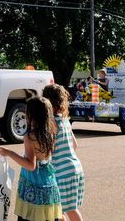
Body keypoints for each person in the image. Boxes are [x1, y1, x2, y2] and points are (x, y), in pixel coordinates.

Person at [0, 97, 63, 221]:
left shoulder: (30, 137)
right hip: (49, 184)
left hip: (32, 185)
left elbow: (31, 165)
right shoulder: (51, 132)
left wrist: (9, 153)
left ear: (31, 115)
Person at [43, 84, 85, 221]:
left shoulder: (52, 123)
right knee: (59, 209)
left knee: (68, 210)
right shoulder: (65, 120)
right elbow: (75, 145)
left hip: (62, 173)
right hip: (74, 167)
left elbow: (51, 149)